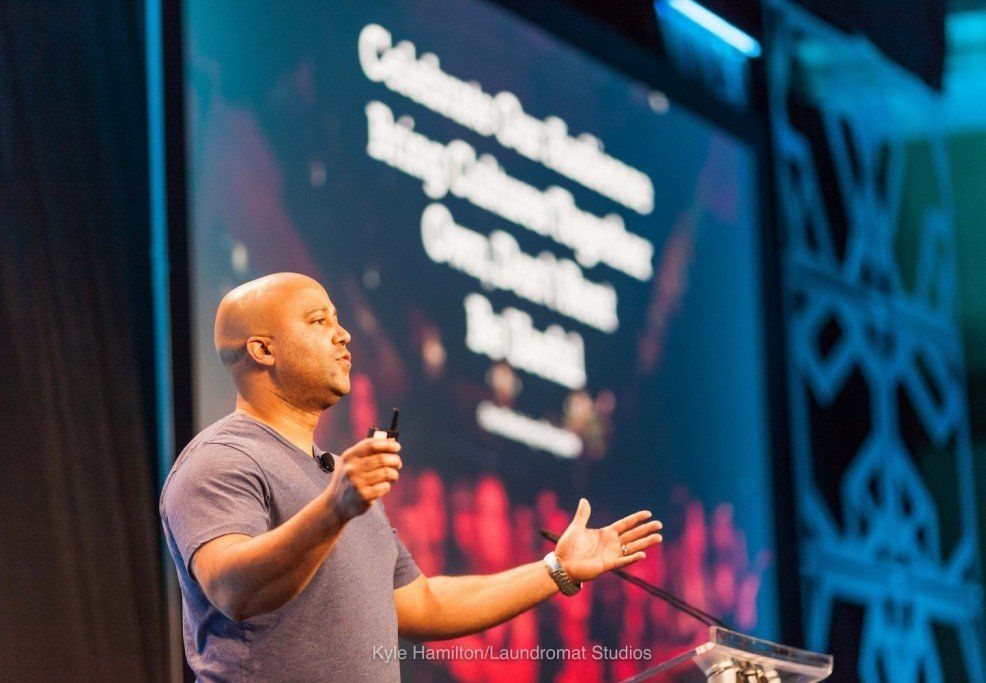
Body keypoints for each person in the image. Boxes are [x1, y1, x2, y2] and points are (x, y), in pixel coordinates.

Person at [160, 272, 663, 681]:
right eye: (317, 320)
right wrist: (335, 509)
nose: (343, 333)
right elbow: (233, 590)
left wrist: (556, 569)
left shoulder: (338, 480)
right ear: (263, 351)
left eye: (337, 318)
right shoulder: (222, 460)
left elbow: (422, 603)